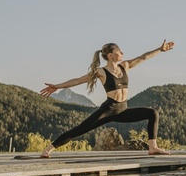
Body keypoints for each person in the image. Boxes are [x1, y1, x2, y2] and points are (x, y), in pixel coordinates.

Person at [39, 40, 174, 157]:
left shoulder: (125, 66)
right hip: (108, 110)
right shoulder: (101, 71)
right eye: (119, 51)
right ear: (110, 55)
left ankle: (153, 147)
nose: (122, 53)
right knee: (80, 129)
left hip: (123, 110)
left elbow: (143, 57)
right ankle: (48, 150)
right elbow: (79, 80)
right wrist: (56, 86)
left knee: (152, 113)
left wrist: (160, 49)